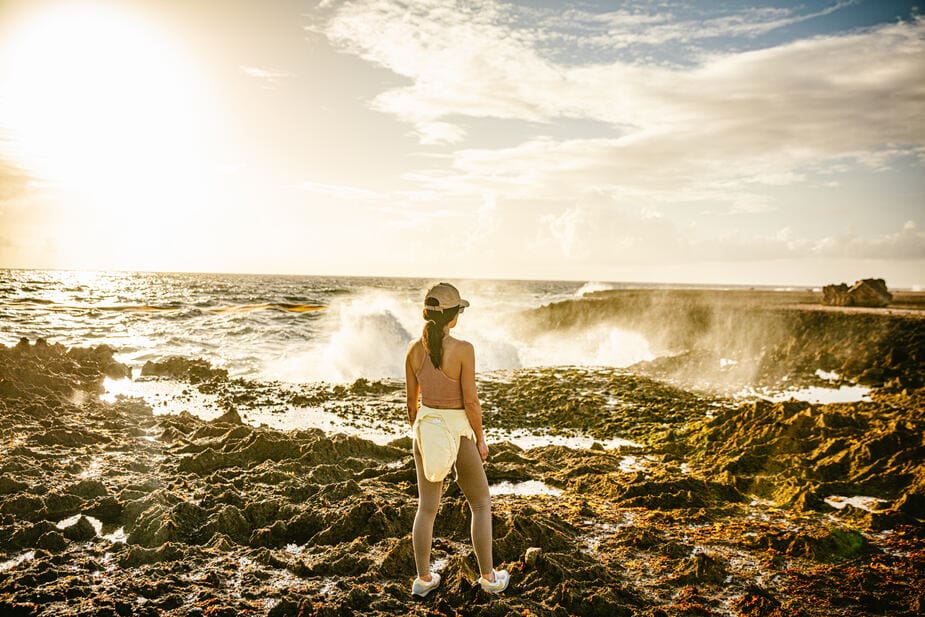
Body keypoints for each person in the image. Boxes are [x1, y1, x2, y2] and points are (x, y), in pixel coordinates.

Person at [405, 282, 510, 597]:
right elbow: (471, 402)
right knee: (480, 503)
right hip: (458, 432)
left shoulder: (412, 350)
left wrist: (423, 434)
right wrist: (480, 439)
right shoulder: (464, 349)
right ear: (453, 315)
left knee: (427, 509)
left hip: (425, 430)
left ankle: (423, 580)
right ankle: (489, 579)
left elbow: (411, 405)